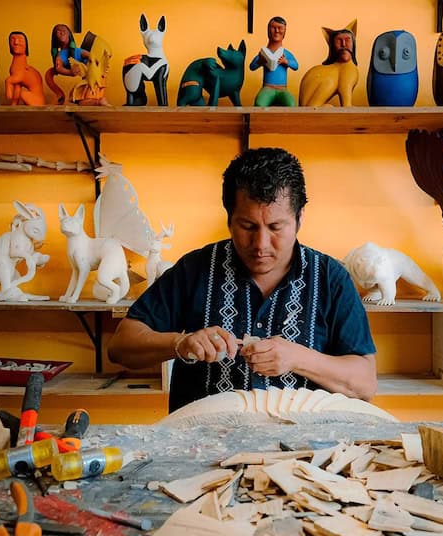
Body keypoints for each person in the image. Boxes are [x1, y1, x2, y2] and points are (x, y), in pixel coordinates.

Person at [108, 147, 377, 412]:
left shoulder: (330, 279)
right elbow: (121, 346)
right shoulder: (195, 269)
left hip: (301, 450)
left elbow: (364, 383)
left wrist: (297, 358)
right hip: (202, 445)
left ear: (299, 218)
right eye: (247, 226)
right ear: (229, 219)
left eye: (276, 227)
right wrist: (180, 343)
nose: (260, 244)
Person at [250, 16, 299, 107]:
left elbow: (296, 66)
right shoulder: (264, 53)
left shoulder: (285, 53)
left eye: (280, 28)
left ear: (284, 31)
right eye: (273, 28)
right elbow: (251, 67)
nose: (277, 31)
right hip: (267, 88)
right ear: (268, 30)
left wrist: (286, 62)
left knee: (291, 104)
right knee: (259, 104)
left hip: (282, 89)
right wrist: (260, 61)